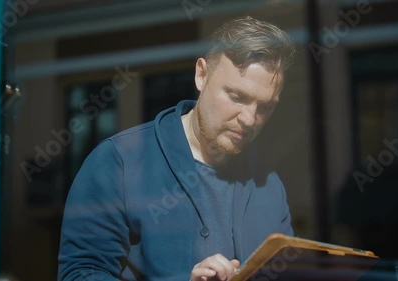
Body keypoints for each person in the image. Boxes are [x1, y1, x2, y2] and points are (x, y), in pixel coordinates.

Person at [58, 16, 296, 281]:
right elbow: (79, 275)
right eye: (236, 97)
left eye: (265, 107)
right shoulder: (118, 162)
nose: (250, 119)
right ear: (201, 75)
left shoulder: (269, 185)